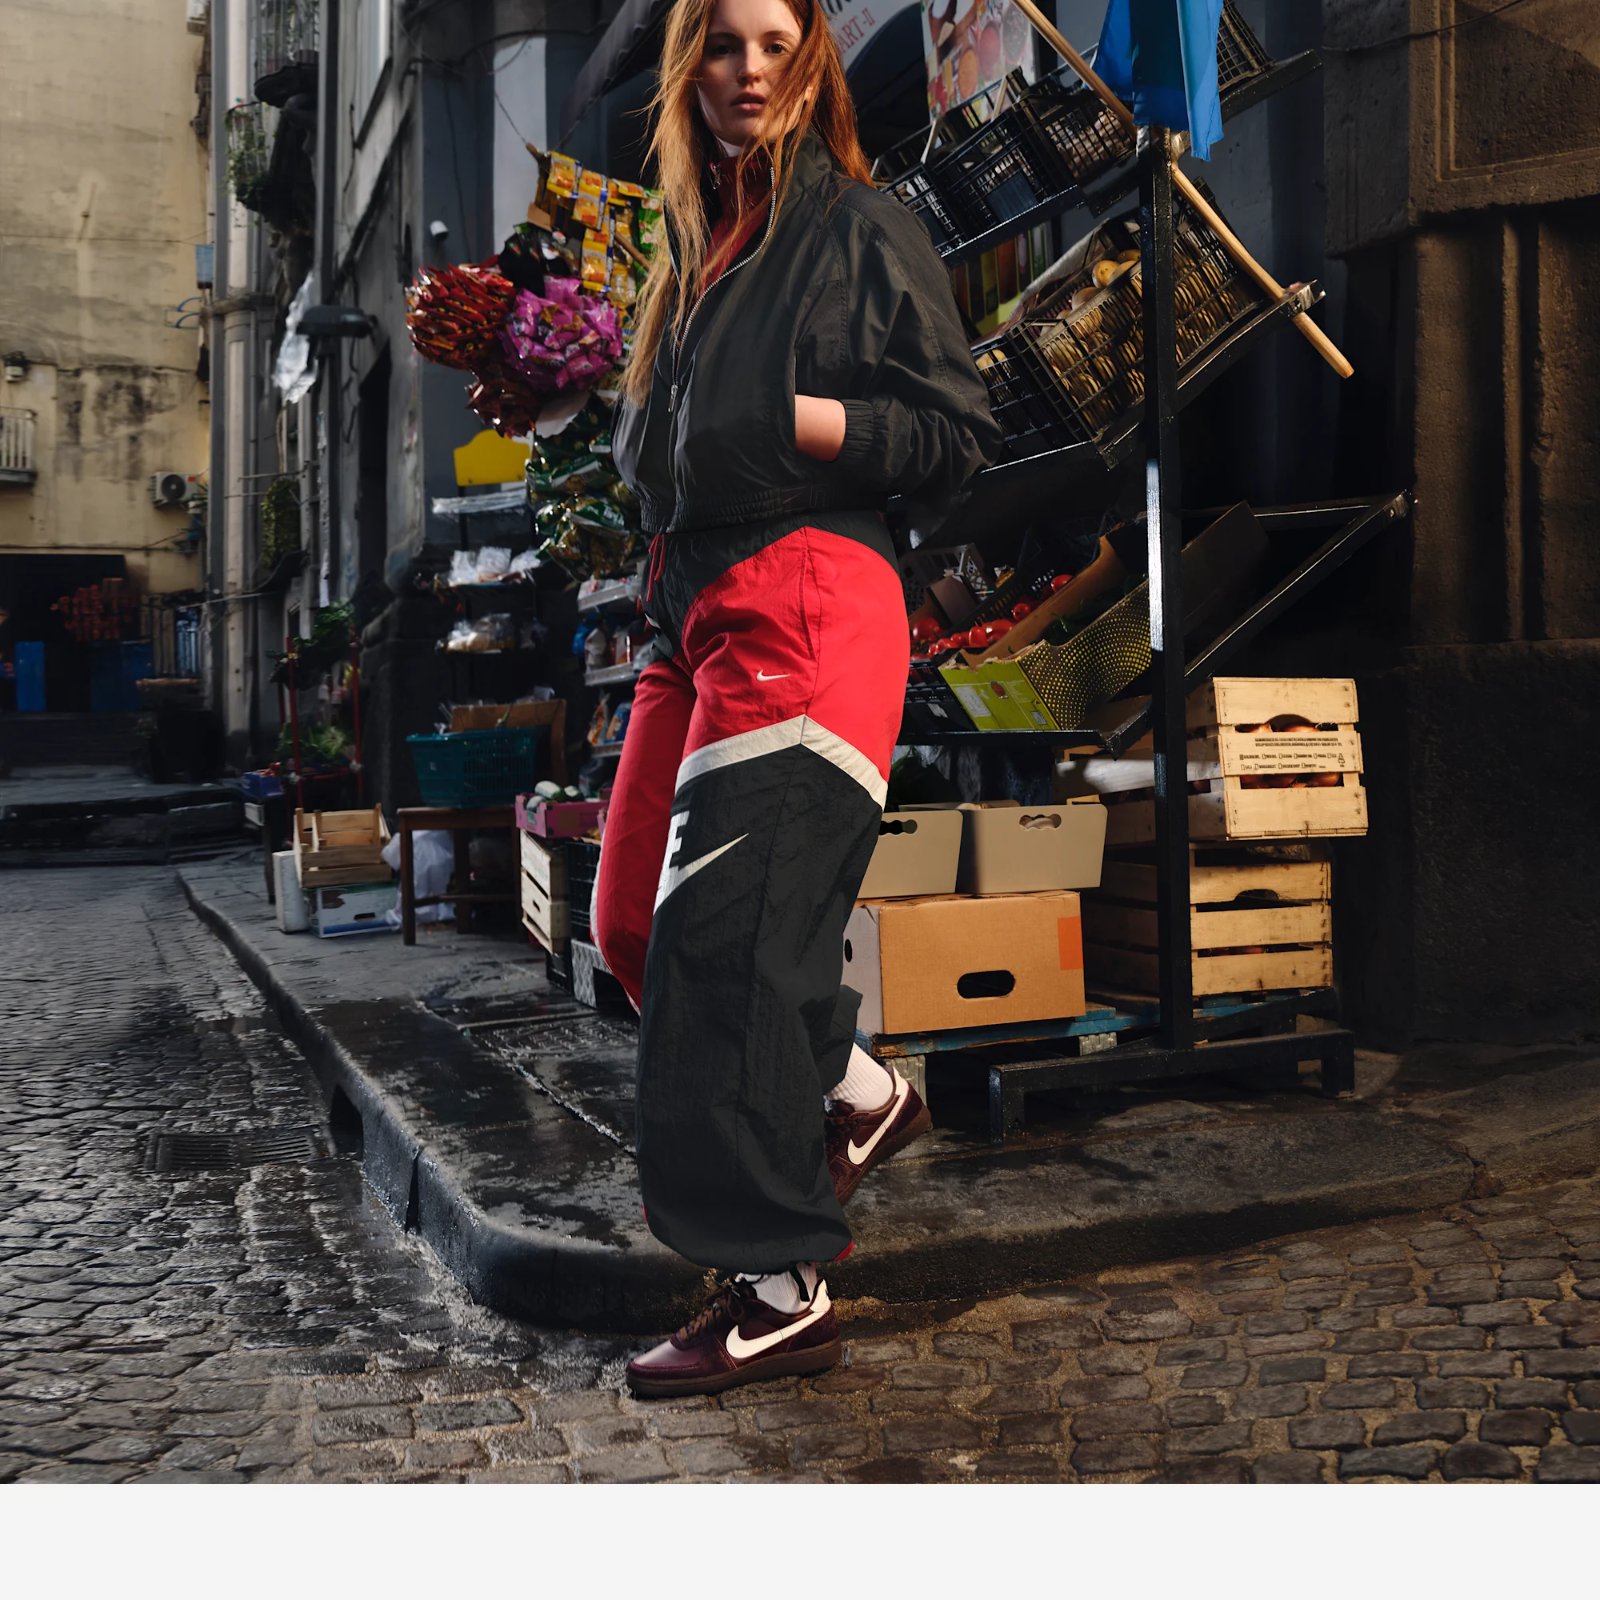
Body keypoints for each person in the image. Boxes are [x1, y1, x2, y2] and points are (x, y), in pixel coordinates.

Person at [596, 0, 1003, 1398]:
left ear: (811, 59)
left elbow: (955, 433)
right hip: (691, 613)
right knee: (633, 923)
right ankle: (860, 1092)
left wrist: (806, 420)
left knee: (732, 948)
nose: (750, 70)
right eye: (724, 44)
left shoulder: (858, 228)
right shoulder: (688, 257)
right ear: (688, 68)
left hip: (812, 598)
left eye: (776, 43)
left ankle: (780, 1291)